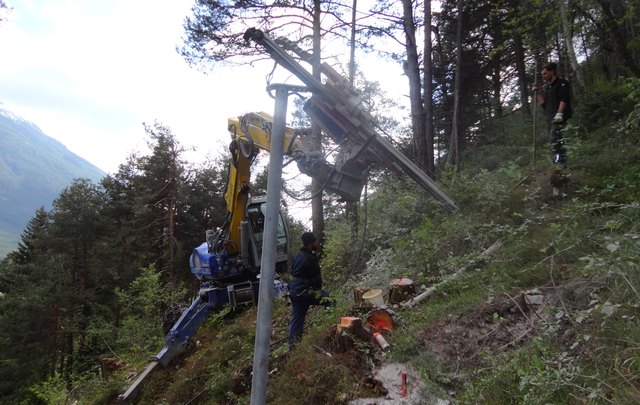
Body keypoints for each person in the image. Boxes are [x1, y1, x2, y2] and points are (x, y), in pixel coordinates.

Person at [287, 231, 333, 351]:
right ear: (311, 243)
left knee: (297, 319)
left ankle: (292, 349)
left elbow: (293, 272)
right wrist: (317, 291)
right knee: (330, 300)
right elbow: (317, 280)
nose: (318, 243)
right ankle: (329, 329)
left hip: (295, 292)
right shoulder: (310, 258)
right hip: (305, 291)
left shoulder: (297, 255)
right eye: (316, 241)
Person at [532, 62, 572, 165]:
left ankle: (560, 164)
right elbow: (545, 105)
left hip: (559, 118)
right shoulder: (549, 89)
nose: (543, 76)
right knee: (554, 141)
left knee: (556, 140)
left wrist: (559, 114)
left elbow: (564, 99)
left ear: (552, 71)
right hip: (550, 119)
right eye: (542, 74)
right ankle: (559, 164)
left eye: (545, 73)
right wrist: (537, 93)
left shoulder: (562, 83)